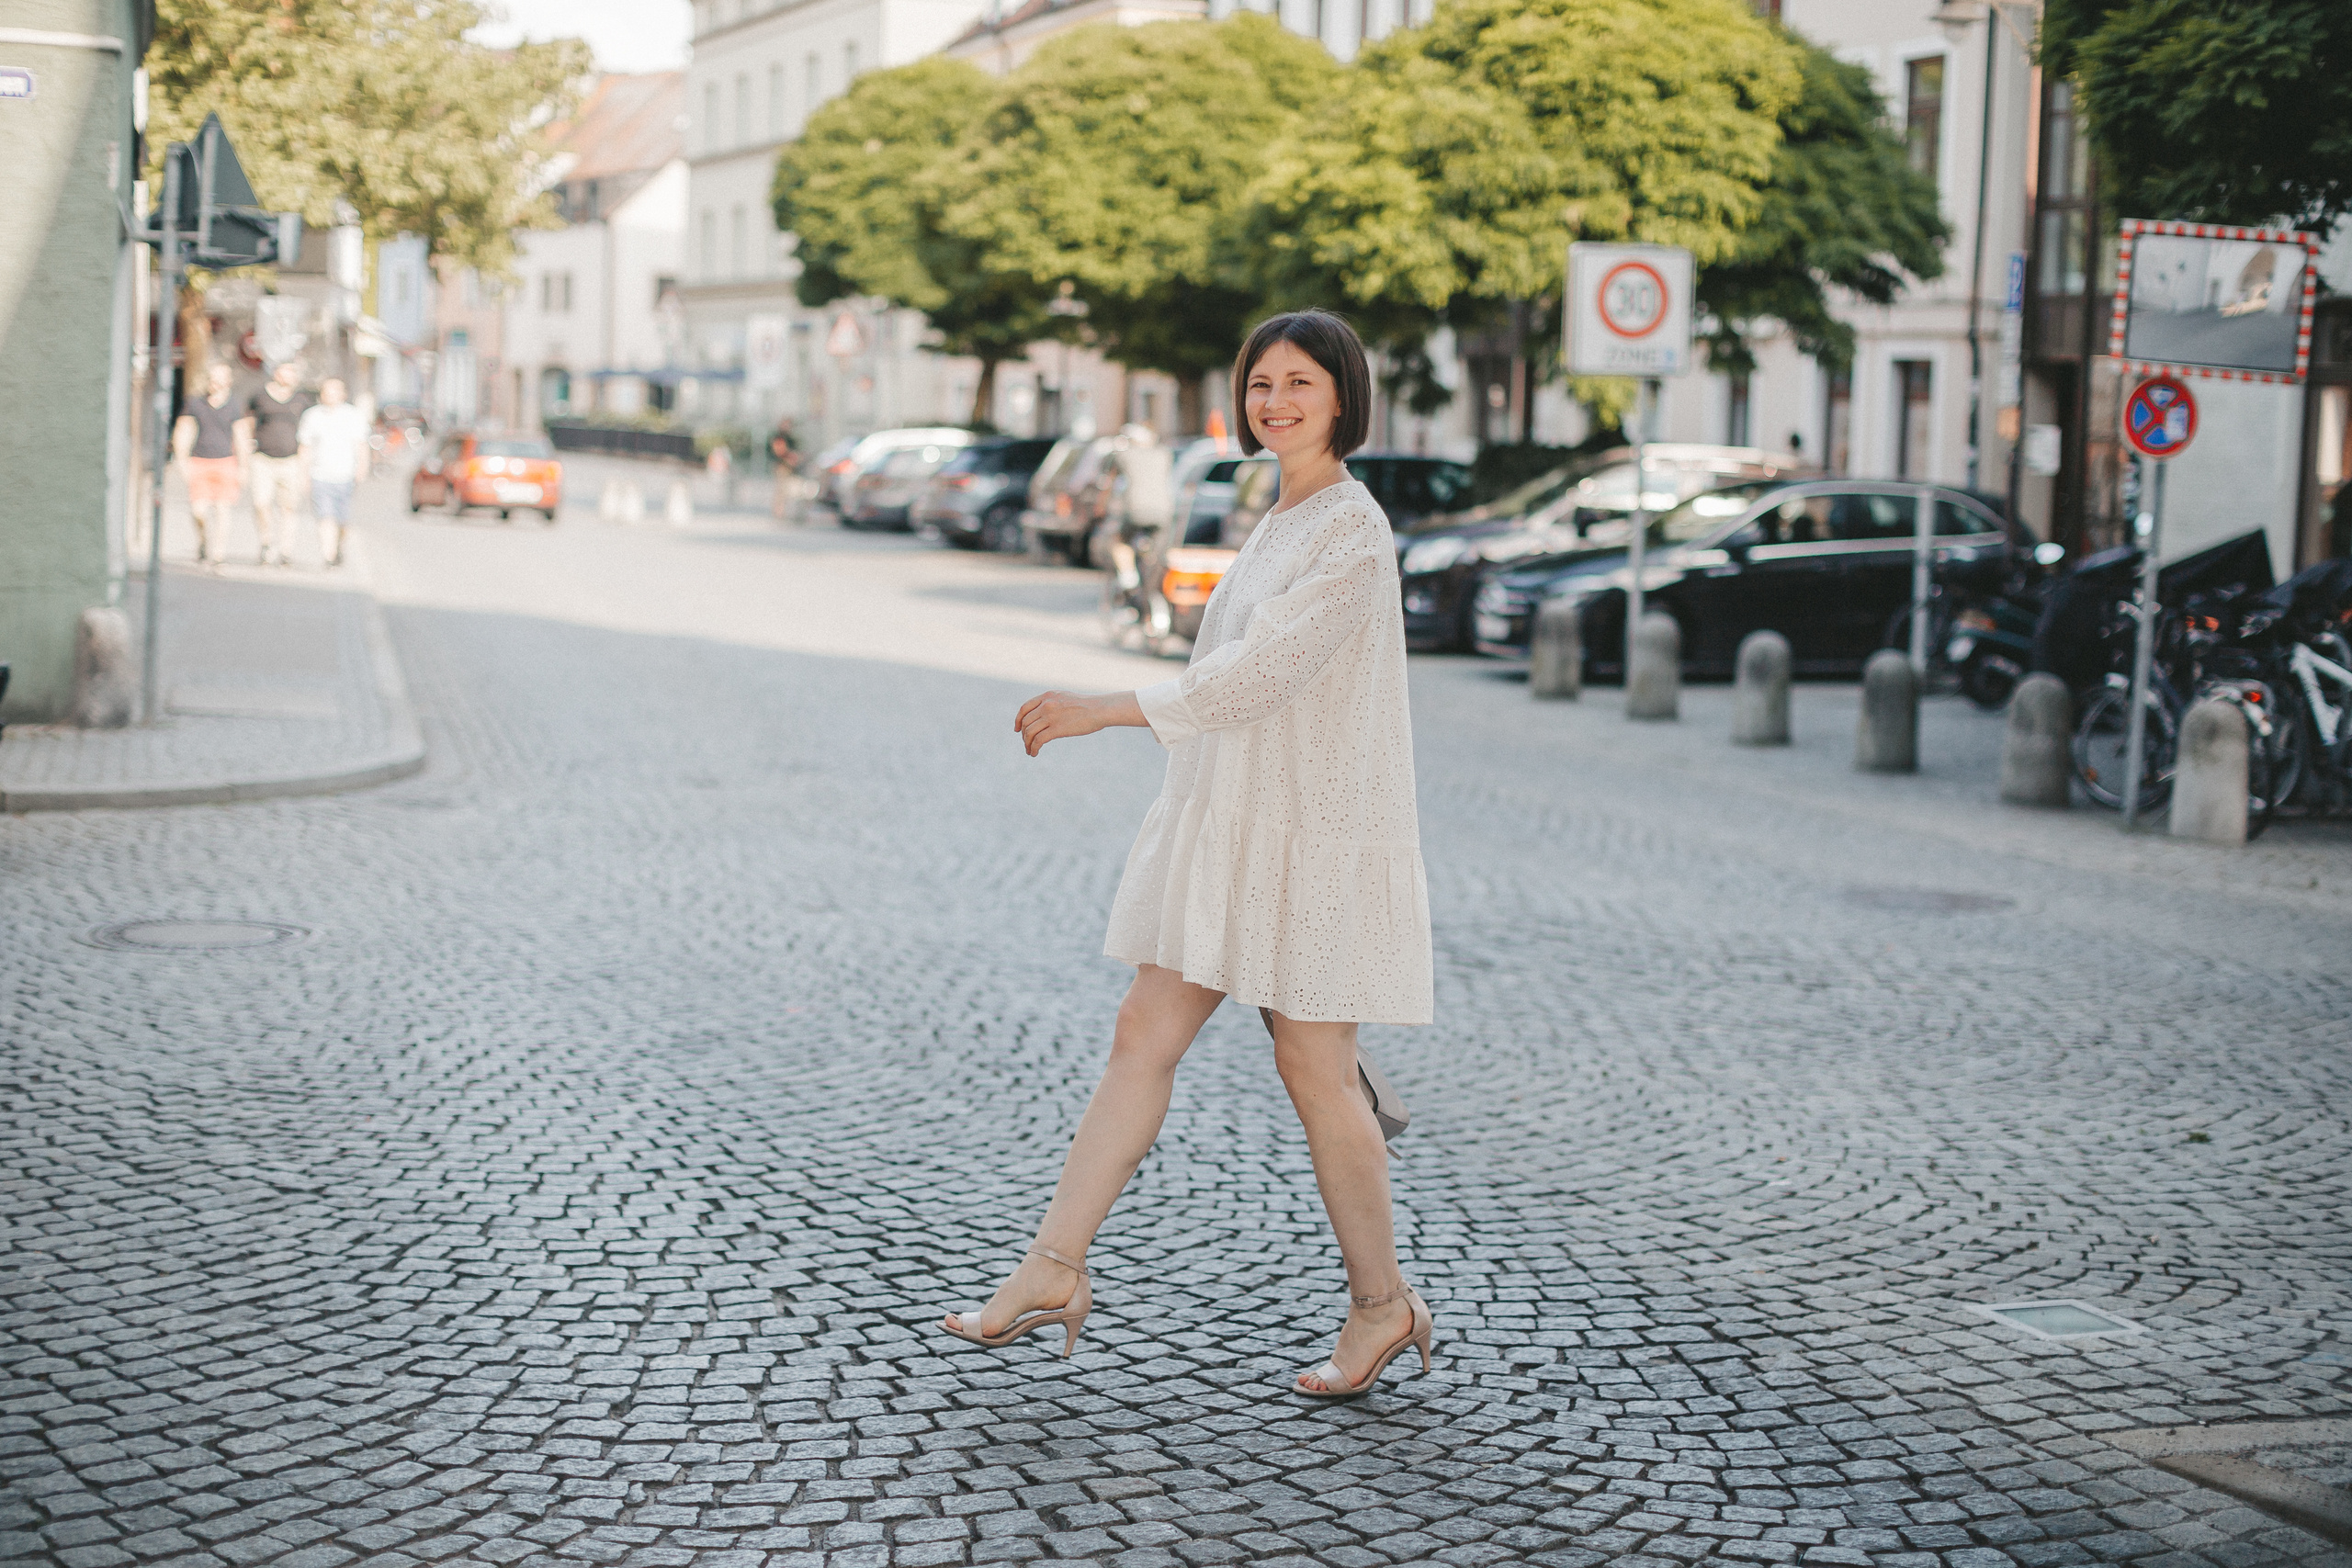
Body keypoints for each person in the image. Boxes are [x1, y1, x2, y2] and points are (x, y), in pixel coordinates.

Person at [942, 310, 1435, 1399]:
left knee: (1316, 1071)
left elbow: (1261, 678)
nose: (1276, 402)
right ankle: (1051, 1268)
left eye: (1300, 383)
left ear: (1343, 397)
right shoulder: (1279, 512)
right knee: (1142, 1033)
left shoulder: (1351, 528)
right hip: (1233, 823)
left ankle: (1382, 1307)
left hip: (1304, 838)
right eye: (1261, 383)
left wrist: (1102, 708)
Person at [174, 363, 244, 566]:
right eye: (212, 379)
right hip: (200, 461)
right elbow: (183, 430)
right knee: (199, 511)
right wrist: (182, 459)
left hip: (226, 461)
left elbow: (240, 434)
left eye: (220, 380)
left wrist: (243, 465)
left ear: (228, 382)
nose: (215, 384)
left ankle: (218, 554)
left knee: (223, 510)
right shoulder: (195, 402)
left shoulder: (234, 404)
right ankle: (204, 541)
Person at [245, 361, 314, 565]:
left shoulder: (303, 400)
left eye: (293, 373)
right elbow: (248, 422)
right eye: (286, 372)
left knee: (289, 507)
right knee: (261, 503)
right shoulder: (260, 397)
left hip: (291, 460)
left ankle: (286, 550)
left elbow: (307, 433)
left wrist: (305, 467)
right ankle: (267, 542)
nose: (289, 377)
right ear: (276, 373)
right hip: (263, 458)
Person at [299, 378, 371, 568]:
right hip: (319, 474)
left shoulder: (353, 416)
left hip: (345, 474)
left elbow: (361, 445)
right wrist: (304, 474)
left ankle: (338, 546)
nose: (330, 395)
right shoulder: (312, 416)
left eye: (334, 391)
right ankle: (328, 554)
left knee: (341, 519)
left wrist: (362, 468)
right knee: (324, 516)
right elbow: (305, 447)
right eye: (326, 391)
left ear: (343, 394)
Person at [769, 417, 802, 521]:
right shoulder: (778, 437)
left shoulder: (790, 438)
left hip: (790, 467)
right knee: (781, 490)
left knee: (789, 490)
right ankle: (779, 511)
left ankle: (784, 510)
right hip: (781, 467)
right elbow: (779, 451)